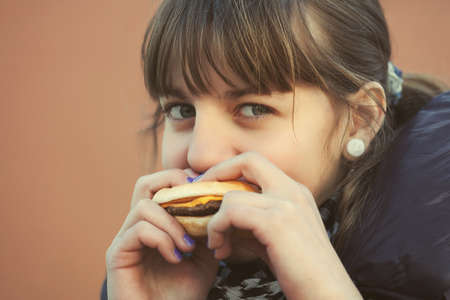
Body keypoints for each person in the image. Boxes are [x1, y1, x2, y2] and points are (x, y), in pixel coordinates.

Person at [103, 0, 450, 299]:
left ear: (359, 120)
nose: (200, 155)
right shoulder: (145, 267)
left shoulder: (434, 264)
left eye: (254, 108)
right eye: (182, 110)